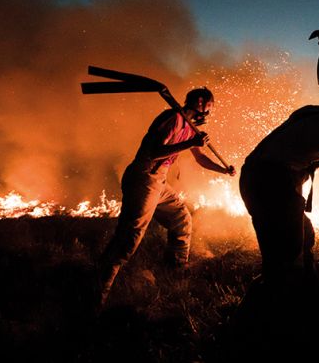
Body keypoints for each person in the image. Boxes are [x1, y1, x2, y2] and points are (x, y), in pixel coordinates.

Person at [239, 28, 319, 286]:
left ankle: (300, 295)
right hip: (276, 183)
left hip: (250, 175)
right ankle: (265, 316)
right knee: (284, 263)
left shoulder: (307, 111)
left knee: (303, 237)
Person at [96, 87, 236, 307]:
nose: (209, 113)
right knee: (129, 237)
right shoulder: (173, 118)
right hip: (145, 176)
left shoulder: (190, 129)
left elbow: (200, 158)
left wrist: (223, 170)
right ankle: (97, 293)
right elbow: (154, 152)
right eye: (210, 107)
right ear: (200, 102)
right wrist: (191, 143)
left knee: (181, 219)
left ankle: (174, 273)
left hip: (159, 181)